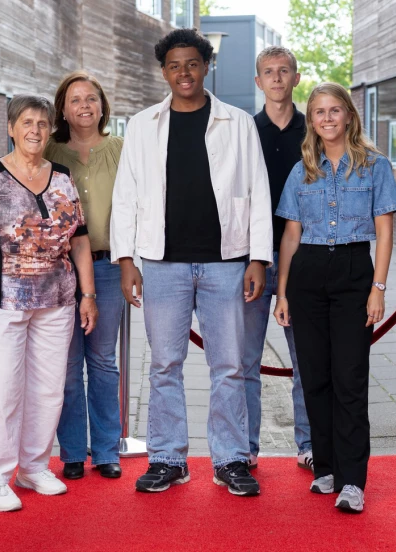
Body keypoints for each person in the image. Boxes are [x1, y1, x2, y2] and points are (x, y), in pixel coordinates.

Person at [111, 28, 273, 497]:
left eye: (192, 64)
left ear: (206, 67)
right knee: (164, 364)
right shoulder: (142, 125)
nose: (184, 73)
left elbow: (258, 192)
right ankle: (167, 458)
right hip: (162, 264)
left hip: (227, 261)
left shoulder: (237, 122)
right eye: (174, 65)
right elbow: (125, 196)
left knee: (230, 366)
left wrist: (258, 258)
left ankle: (230, 459)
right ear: (164, 72)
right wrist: (126, 259)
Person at [0, 94, 98, 512]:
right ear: (11, 128)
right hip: (1, 301)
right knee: (0, 389)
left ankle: (34, 467)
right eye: (26, 122)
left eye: (41, 123)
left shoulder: (62, 176)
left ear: (49, 129)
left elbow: (80, 241)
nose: (35, 130)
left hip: (58, 300)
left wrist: (87, 295)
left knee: (48, 389)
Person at [274, 83, 396, 513]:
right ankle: (326, 468)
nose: (327, 119)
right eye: (319, 112)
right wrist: (282, 292)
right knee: (314, 377)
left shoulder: (374, 166)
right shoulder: (302, 171)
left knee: (349, 378)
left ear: (348, 114)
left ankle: (353, 481)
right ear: (311, 120)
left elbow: (384, 231)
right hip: (307, 275)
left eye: (334, 110)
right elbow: (290, 236)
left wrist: (377, 289)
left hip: (353, 271)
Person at [44, 71, 124, 480]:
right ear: (63, 108)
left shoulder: (121, 149)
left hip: (107, 267)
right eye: (75, 100)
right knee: (67, 364)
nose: (84, 106)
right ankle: (73, 451)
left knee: (104, 362)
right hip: (59, 270)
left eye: (91, 98)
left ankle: (107, 449)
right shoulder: (48, 150)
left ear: (102, 105)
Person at [244, 46, 312, 471]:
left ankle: (309, 444)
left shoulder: (315, 131)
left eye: (284, 71)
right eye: (268, 71)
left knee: (306, 360)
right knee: (245, 360)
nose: (276, 78)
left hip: (301, 258)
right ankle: (246, 449)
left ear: (295, 78)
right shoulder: (245, 132)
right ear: (258, 81)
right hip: (251, 258)